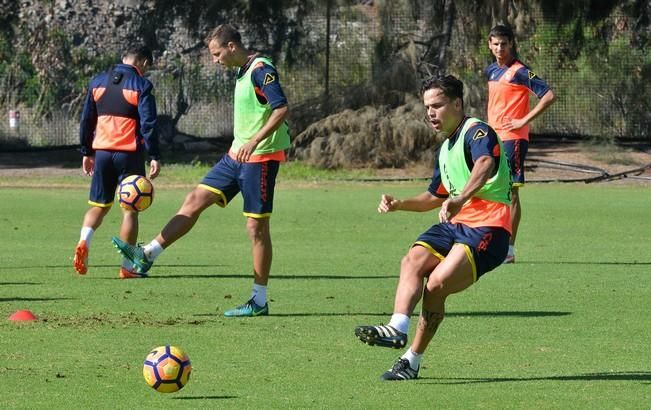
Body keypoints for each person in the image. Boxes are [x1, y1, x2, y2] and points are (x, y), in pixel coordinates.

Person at [112, 24, 291, 317]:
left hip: (261, 159)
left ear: (232, 46)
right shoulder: (241, 70)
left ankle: (259, 300)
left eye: (217, 53)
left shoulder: (261, 69)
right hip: (235, 157)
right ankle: (146, 254)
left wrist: (255, 141)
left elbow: (281, 108)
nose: (215, 60)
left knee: (256, 228)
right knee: (194, 199)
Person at [354, 75, 512, 381]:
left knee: (436, 284)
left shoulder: (477, 131)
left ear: (456, 103)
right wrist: (399, 203)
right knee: (412, 260)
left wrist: (461, 198)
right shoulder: (445, 150)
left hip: (489, 228)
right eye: (427, 107)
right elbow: (433, 197)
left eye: (437, 105)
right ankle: (398, 330)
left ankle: (412, 357)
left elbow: (484, 165)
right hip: (455, 224)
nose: (430, 113)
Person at [73, 45, 161, 279]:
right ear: (142, 62)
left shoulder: (98, 82)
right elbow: (148, 124)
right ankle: (127, 267)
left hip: (101, 152)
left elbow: (86, 120)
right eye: (147, 66)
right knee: (130, 210)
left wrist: (86, 151)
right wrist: (154, 155)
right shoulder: (141, 85)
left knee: (99, 205)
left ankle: (84, 241)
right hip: (128, 154)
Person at [486, 24, 556, 263]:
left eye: (503, 44)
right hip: (493, 138)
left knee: (511, 193)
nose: (499, 48)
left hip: (513, 140)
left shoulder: (520, 71)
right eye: (495, 44)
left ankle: (509, 250)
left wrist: (523, 121)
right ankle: (490, 242)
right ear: (489, 45)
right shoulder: (491, 71)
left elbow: (548, 95)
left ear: (511, 44)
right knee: (493, 191)